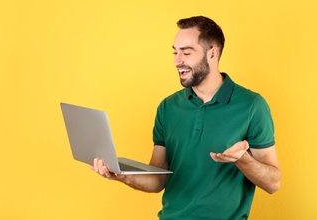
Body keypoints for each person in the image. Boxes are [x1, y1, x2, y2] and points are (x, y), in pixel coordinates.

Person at [91, 16, 281, 219]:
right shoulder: (168, 107)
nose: (177, 61)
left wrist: (242, 159)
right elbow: (158, 179)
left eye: (186, 53)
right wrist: (122, 175)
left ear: (212, 54)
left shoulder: (252, 105)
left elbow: (273, 183)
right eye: (175, 52)